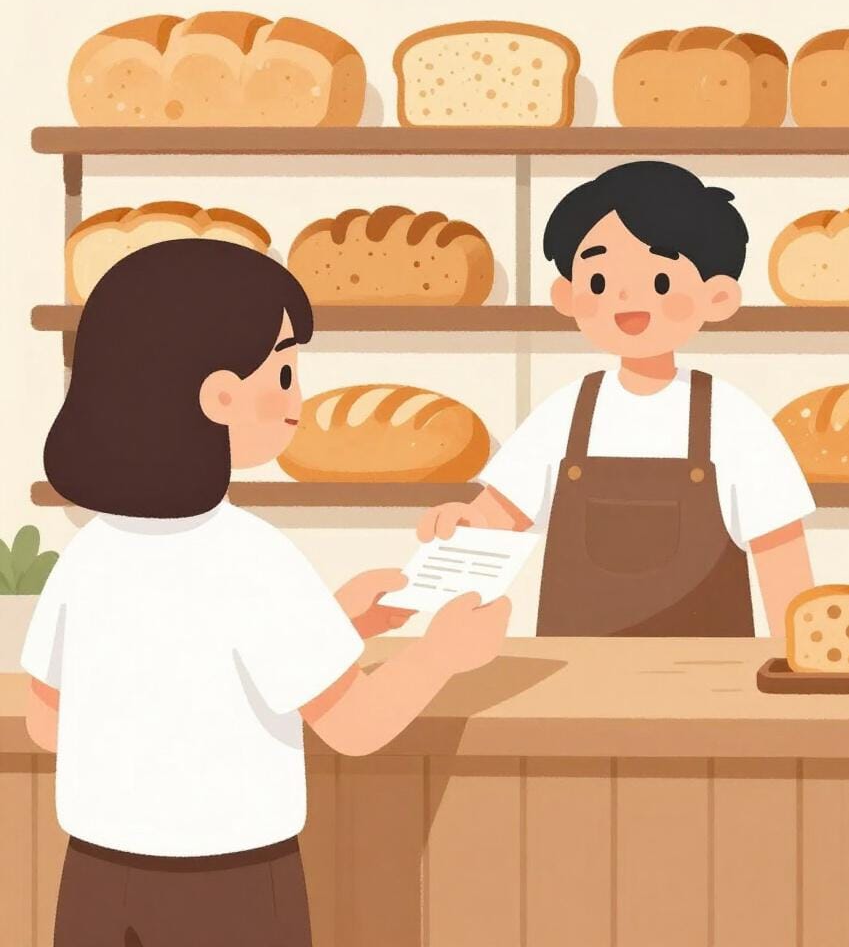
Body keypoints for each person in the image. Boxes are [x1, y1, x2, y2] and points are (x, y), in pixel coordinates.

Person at [22, 239, 510, 947]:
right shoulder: (251, 557)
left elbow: (49, 724)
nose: (298, 401)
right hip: (232, 887)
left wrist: (336, 623)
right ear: (220, 394)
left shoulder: (89, 552)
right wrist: (440, 655)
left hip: (96, 880)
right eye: (284, 372)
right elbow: (355, 727)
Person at [419, 160, 815, 636]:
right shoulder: (567, 411)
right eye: (600, 282)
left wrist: (799, 657)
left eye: (661, 281)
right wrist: (467, 522)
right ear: (567, 296)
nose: (626, 298)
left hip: (709, 677)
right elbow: (504, 513)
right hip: (573, 674)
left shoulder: (733, 420)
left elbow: (781, 556)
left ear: (718, 297)